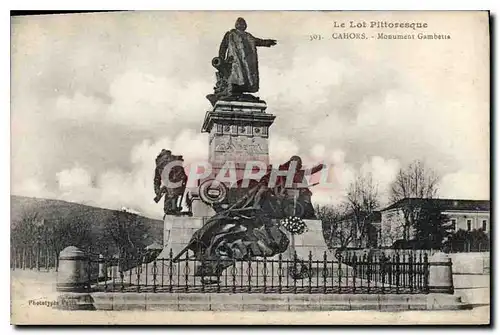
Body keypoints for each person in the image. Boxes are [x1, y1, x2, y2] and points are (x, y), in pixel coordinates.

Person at [217, 17, 277, 97]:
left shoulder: (248, 36)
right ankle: (232, 90)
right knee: (234, 75)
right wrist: (221, 59)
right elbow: (223, 47)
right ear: (236, 25)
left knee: (245, 77)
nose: (241, 25)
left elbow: (259, 41)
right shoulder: (230, 34)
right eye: (239, 23)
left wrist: (268, 42)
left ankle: (240, 90)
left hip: (246, 62)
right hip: (235, 60)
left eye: (243, 23)